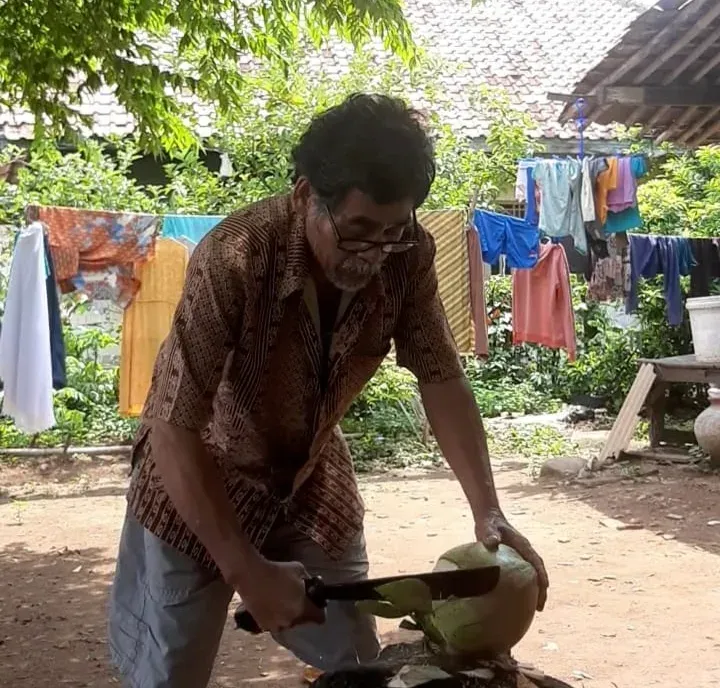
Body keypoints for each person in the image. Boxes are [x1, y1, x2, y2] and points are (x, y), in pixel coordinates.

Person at [107, 93, 549, 688]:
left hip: (309, 475)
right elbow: (173, 421)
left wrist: (488, 511)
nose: (372, 254)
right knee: (168, 672)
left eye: (393, 230)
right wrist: (247, 571)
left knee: (360, 665)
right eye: (358, 229)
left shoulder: (408, 253)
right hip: (197, 474)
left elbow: (440, 374)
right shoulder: (236, 255)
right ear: (304, 196)